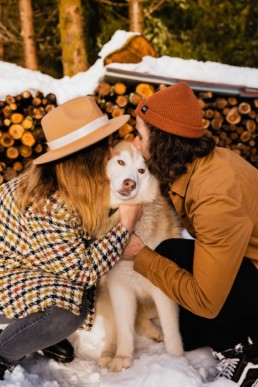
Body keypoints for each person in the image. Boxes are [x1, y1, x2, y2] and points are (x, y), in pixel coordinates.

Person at [123, 82, 258, 386]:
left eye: (140, 135)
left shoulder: (215, 197)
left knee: (187, 291)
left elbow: (206, 301)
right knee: (172, 255)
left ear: (163, 142)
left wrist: (137, 254)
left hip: (254, 276)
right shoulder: (198, 163)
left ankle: (247, 350)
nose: (134, 143)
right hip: (246, 262)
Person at [0, 96, 141, 380]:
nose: (111, 151)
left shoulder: (72, 180)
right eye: (105, 147)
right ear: (86, 158)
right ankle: (6, 351)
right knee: (67, 310)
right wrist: (125, 225)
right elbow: (82, 270)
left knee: (70, 296)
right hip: (5, 275)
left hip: (30, 265)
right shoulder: (46, 203)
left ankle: (37, 332)